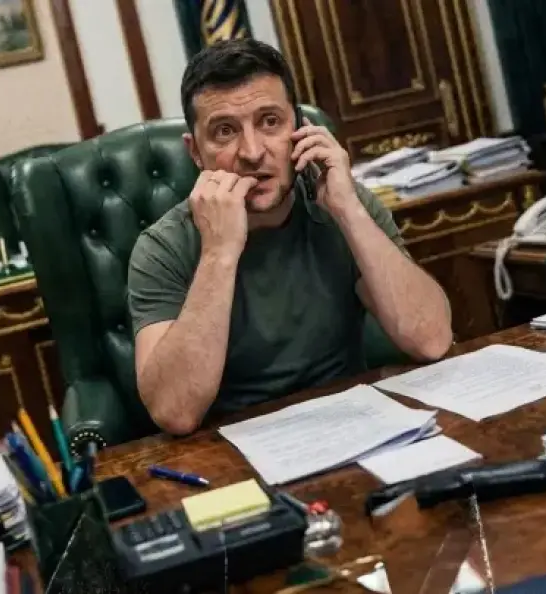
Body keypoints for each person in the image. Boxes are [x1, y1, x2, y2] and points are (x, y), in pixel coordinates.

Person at [127, 39, 453, 435]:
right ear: (195, 151)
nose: (252, 152)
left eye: (270, 122)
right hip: (233, 447)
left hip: (355, 425)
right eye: (225, 131)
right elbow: (175, 412)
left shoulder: (340, 201)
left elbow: (431, 340)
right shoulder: (162, 246)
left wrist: (349, 211)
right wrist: (220, 251)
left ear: (299, 129)